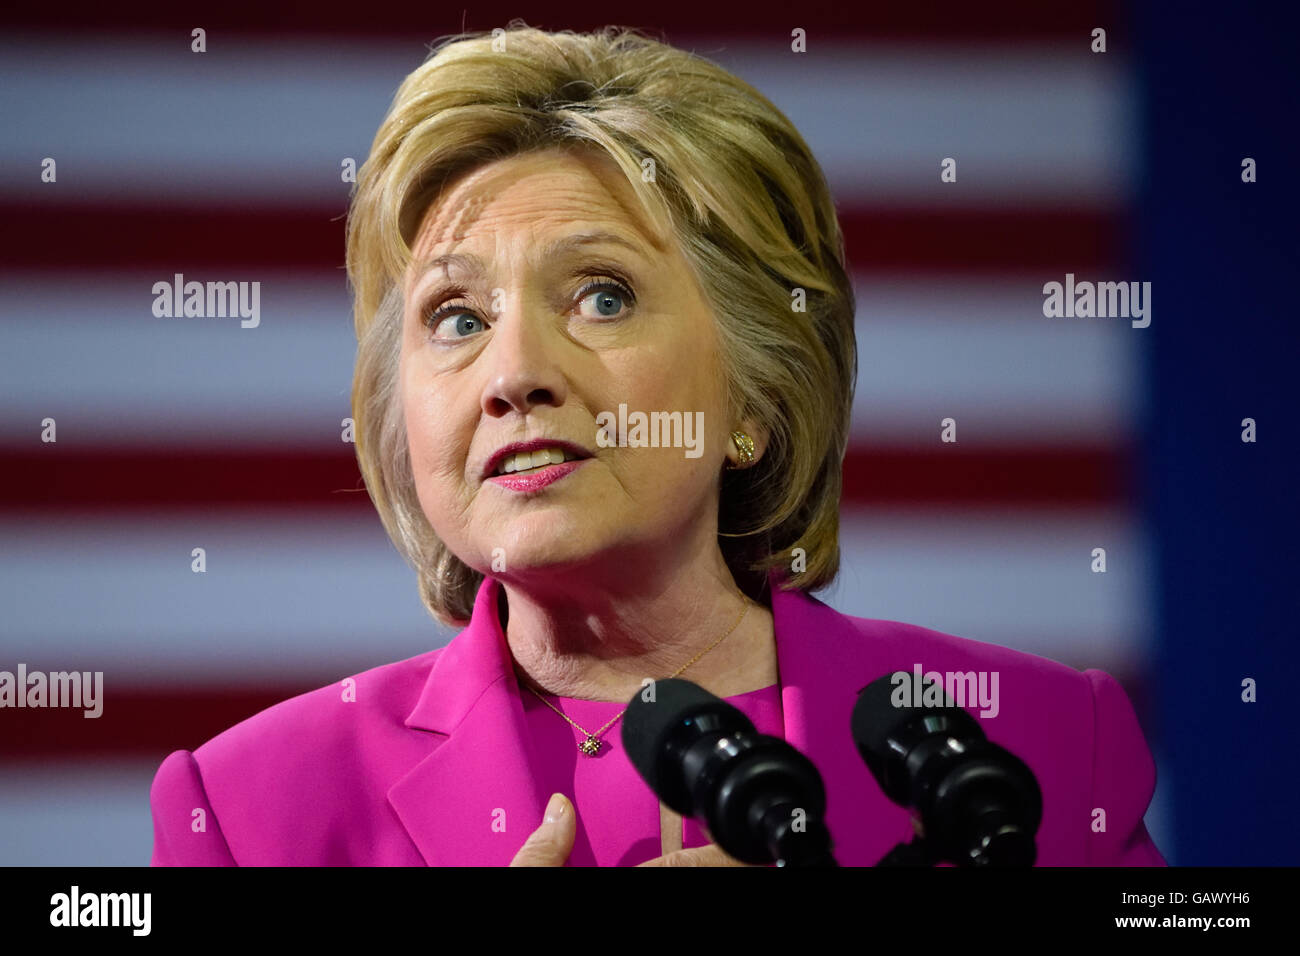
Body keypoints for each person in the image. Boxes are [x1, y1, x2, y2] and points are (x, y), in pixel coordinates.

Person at [149, 23, 1165, 866]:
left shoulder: (1033, 737)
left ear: (752, 396)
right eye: (456, 316)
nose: (512, 374)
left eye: (601, 295)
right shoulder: (248, 809)